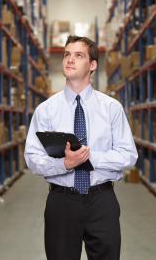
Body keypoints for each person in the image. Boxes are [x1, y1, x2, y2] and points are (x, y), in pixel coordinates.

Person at [24, 35, 138, 260]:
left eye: (79, 55)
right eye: (67, 54)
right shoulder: (46, 110)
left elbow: (129, 156)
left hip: (102, 201)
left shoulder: (111, 108)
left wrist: (88, 157)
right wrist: (65, 164)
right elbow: (32, 157)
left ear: (93, 65)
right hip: (62, 202)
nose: (70, 60)